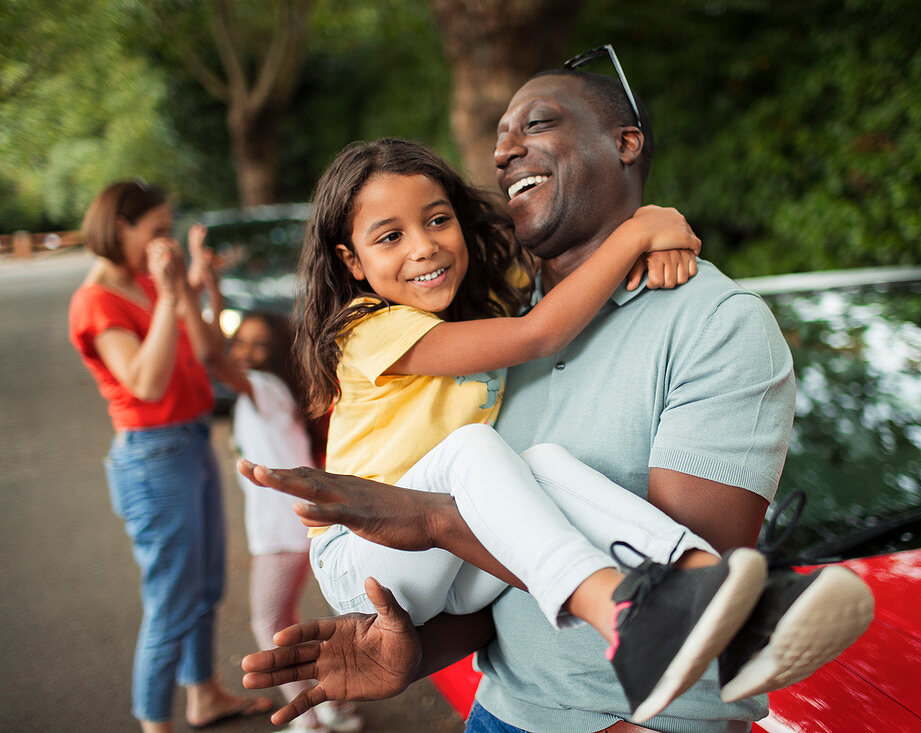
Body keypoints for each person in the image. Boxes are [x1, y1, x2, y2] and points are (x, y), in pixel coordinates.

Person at [240, 61, 873, 733]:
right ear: (352, 260)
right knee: (481, 452)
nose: (504, 149)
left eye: (536, 123)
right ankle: (627, 609)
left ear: (626, 143)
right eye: (390, 235)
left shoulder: (711, 323)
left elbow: (503, 552)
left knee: (533, 468)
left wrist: (650, 226)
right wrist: (640, 230)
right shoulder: (432, 325)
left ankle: (720, 608)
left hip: (624, 716)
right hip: (376, 569)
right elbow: (540, 334)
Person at [68, 181, 274, 732]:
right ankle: (154, 723)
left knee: (205, 587)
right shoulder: (96, 302)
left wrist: (203, 287)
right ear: (120, 230)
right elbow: (146, 381)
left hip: (191, 442)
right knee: (170, 603)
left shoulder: (143, 282)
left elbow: (203, 348)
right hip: (154, 458)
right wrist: (166, 292)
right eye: (156, 231)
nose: (165, 242)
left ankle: (203, 696)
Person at [217, 309, 363, 733]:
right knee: (286, 620)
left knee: (268, 622)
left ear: (277, 354)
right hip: (297, 524)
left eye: (258, 345)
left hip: (282, 532)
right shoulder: (277, 390)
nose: (244, 352)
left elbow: (211, 358)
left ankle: (310, 719)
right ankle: (329, 707)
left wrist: (190, 292)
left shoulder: (263, 388)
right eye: (239, 342)